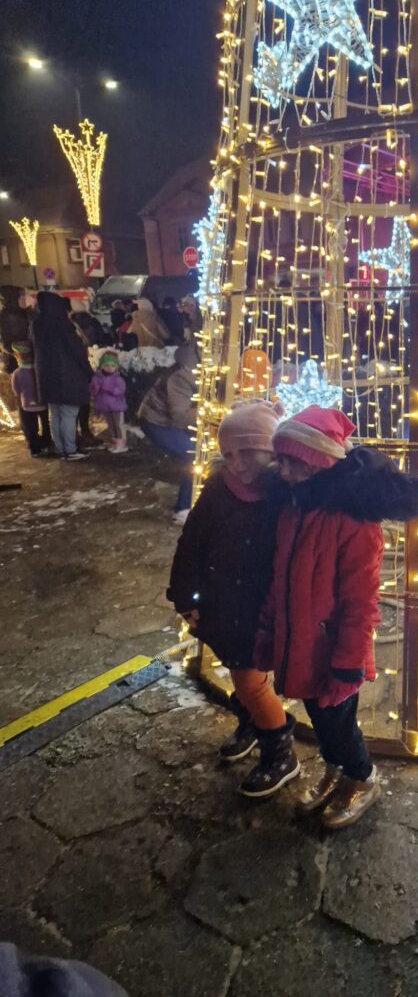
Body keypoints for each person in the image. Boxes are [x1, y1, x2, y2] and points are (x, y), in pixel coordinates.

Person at [254, 405, 418, 829]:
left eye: (295, 462)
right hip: (299, 643)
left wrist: (348, 662)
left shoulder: (354, 524)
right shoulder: (295, 509)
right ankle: (336, 769)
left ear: (320, 462)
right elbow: (280, 575)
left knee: (340, 724)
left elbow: (360, 602)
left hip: (333, 650)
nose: (284, 472)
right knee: (319, 717)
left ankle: (361, 777)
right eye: (281, 461)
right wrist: (268, 626)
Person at [167, 400, 298, 796]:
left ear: (270, 450)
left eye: (247, 451)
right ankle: (253, 724)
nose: (236, 463)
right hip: (221, 603)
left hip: (261, 609)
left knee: (250, 680)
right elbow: (192, 542)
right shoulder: (218, 488)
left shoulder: (286, 492)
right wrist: (184, 595)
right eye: (228, 453)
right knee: (238, 671)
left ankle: (280, 753)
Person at [138, 340, 198, 522]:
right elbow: (180, 417)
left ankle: (196, 495)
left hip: (168, 420)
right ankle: (183, 509)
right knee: (193, 455)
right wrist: (206, 409)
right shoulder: (180, 377)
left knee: (199, 450)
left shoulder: (194, 370)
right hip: (156, 422)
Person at [31, 291, 92, 461]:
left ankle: (61, 449)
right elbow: (76, 350)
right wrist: (89, 373)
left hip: (47, 378)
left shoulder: (37, 324)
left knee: (56, 414)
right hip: (66, 377)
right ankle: (70, 449)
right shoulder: (62, 324)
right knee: (68, 414)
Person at [10, 341, 53, 456]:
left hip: (27, 404)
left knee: (31, 426)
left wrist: (19, 395)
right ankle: (47, 441)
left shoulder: (17, 372)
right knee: (45, 423)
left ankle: (34, 448)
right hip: (42, 402)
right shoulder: (39, 370)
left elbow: (16, 389)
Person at [90, 350, 128, 452]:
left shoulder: (118, 379)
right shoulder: (97, 378)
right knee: (111, 426)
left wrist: (109, 388)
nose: (109, 368)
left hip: (117, 406)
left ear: (116, 367)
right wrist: (95, 388)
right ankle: (114, 442)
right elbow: (93, 391)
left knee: (118, 425)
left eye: (112, 366)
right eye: (106, 365)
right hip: (105, 407)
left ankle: (121, 444)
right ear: (102, 366)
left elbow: (121, 390)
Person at [0, 285, 30, 372]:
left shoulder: (20, 312)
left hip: (20, 356)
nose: (25, 298)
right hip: (20, 357)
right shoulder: (10, 316)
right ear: (14, 298)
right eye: (22, 295)